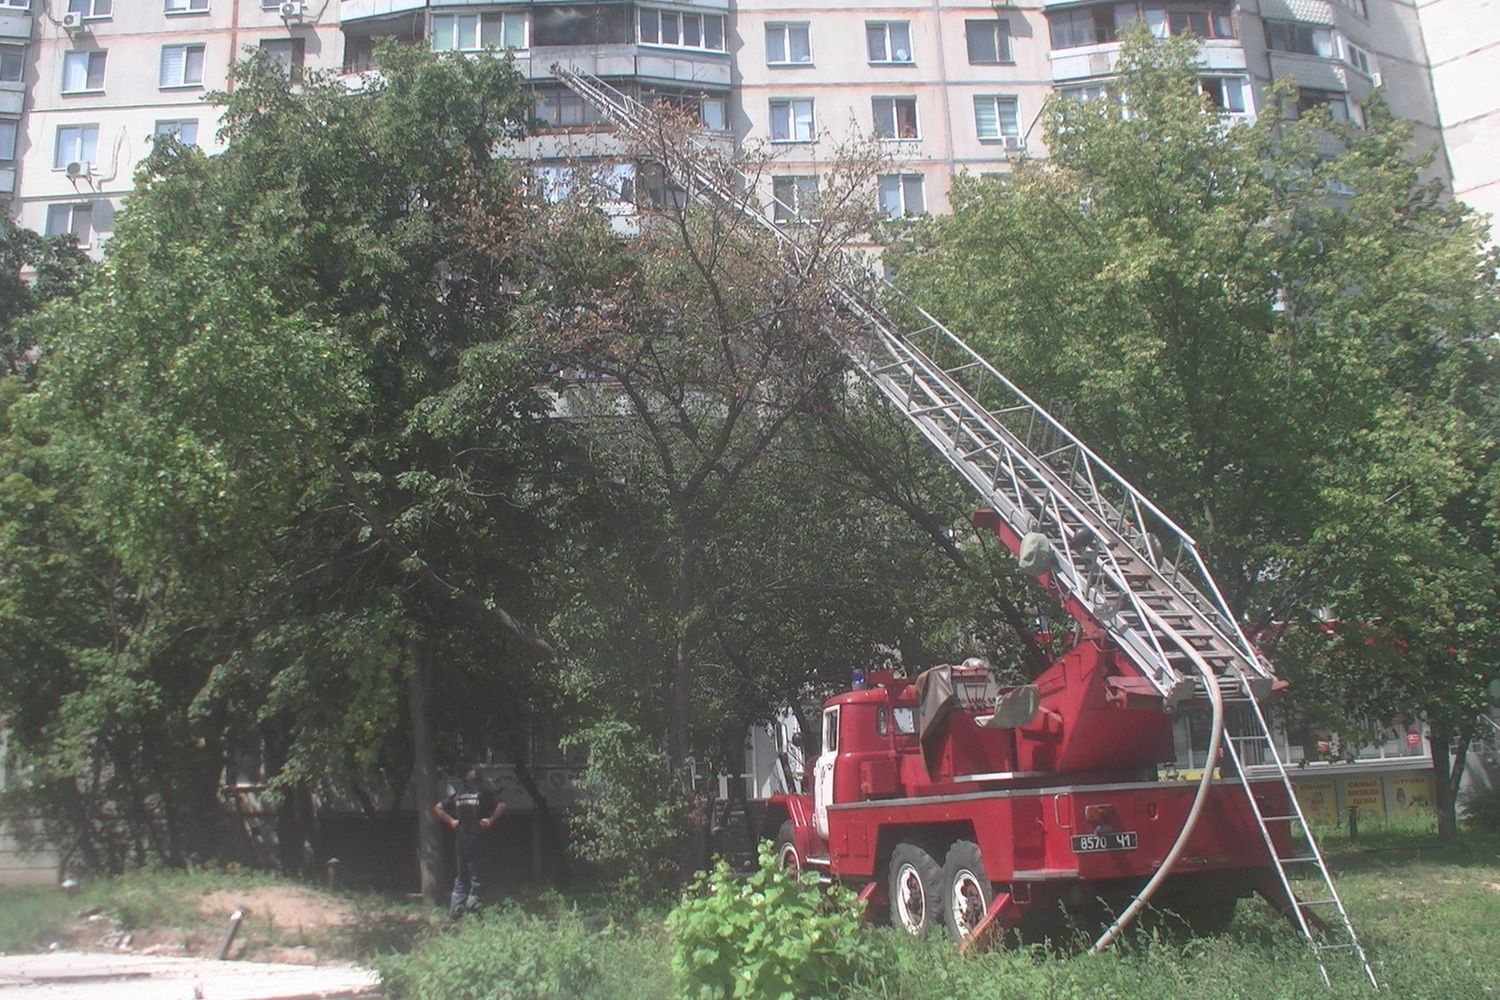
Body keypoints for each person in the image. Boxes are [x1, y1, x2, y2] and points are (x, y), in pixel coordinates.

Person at [433, 768, 504, 919]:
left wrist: (451, 821)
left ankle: (454, 913)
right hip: (478, 840)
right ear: (481, 781)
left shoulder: (458, 795)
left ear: (467, 781)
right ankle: (473, 913)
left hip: (461, 840)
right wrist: (490, 821)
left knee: (461, 877)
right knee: (477, 876)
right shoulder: (483, 794)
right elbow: (501, 806)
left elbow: (438, 807)